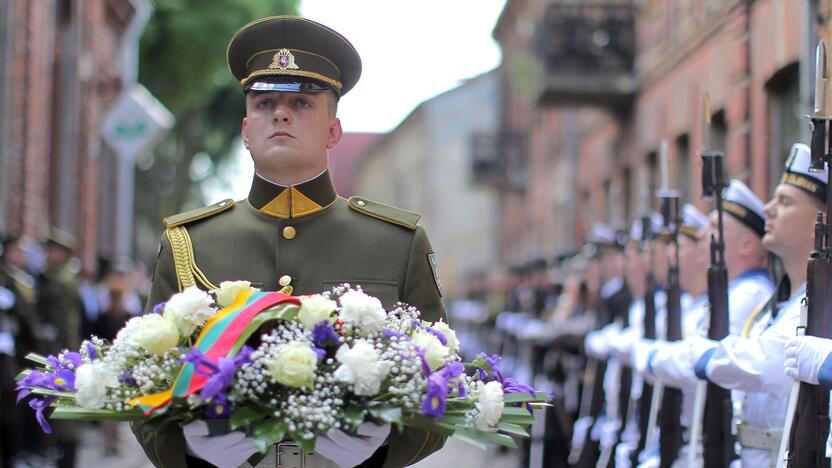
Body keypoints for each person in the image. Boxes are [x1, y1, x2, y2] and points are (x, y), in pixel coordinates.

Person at [131, 16, 447, 468]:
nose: (279, 113)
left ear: (333, 131)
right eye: (263, 104)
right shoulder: (189, 241)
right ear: (245, 131)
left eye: (301, 102)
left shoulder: (398, 242)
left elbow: (440, 380)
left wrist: (381, 451)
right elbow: (141, 383)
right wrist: (188, 451)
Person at [692, 143, 823, 466]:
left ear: (823, 219)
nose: (768, 209)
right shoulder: (773, 304)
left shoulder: (818, 303)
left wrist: (699, 355)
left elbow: (769, 363)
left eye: (785, 201)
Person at [0, 235, 39, 468]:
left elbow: (24, 319)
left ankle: (12, 456)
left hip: (9, 353)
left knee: (10, 408)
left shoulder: (13, 282)